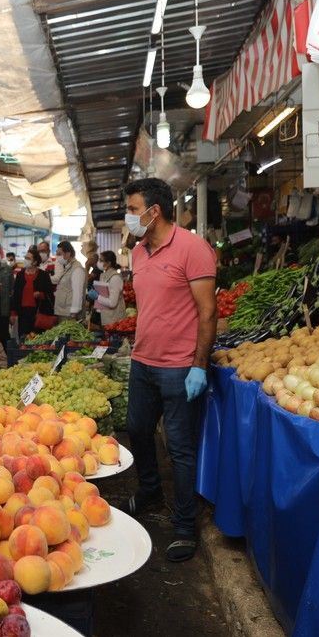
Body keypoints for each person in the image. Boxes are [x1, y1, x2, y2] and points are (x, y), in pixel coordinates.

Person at [122, 177, 217, 563]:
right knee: (138, 430)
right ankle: (149, 491)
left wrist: (199, 365)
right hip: (142, 362)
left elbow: (208, 311)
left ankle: (183, 524)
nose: (128, 217)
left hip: (179, 368)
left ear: (153, 211)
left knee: (180, 448)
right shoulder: (138, 253)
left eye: (131, 209)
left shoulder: (194, 249)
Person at [10, 246, 53, 341]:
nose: (25, 260)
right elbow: (16, 295)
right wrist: (13, 313)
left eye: (28, 258)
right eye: (25, 257)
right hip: (23, 313)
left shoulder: (43, 275)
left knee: (38, 339)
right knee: (23, 338)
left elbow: (50, 294)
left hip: (38, 313)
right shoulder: (20, 275)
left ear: (35, 262)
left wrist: (41, 295)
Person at [87, 251, 126, 327]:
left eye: (101, 260)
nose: (99, 262)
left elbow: (112, 303)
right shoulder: (103, 275)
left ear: (108, 263)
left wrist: (97, 297)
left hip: (115, 321)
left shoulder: (115, 278)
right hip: (106, 317)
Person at [51, 241, 87, 321]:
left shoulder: (77, 269)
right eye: (57, 254)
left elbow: (77, 292)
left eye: (59, 254)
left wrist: (74, 313)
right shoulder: (67, 267)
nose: (57, 257)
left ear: (68, 254)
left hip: (69, 314)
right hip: (63, 311)